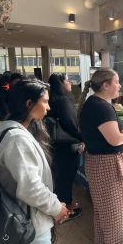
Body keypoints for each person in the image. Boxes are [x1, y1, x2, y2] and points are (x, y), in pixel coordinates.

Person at [0, 79, 69, 244]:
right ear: (29, 104)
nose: (48, 107)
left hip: (16, 219)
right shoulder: (16, 139)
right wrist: (57, 208)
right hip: (28, 224)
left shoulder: (2, 130)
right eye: (45, 101)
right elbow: (31, 188)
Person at [79, 68, 123, 244]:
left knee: (104, 215)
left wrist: (121, 134)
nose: (120, 85)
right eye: (117, 81)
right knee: (117, 219)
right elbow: (114, 140)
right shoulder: (103, 107)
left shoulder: (91, 104)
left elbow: (105, 135)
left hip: (97, 164)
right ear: (105, 85)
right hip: (109, 166)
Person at [47, 73, 83, 220]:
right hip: (67, 145)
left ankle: (61, 205)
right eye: (68, 80)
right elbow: (71, 125)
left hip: (55, 144)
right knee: (66, 178)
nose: (70, 83)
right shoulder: (64, 100)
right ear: (61, 83)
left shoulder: (51, 99)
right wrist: (83, 138)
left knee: (60, 177)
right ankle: (66, 209)